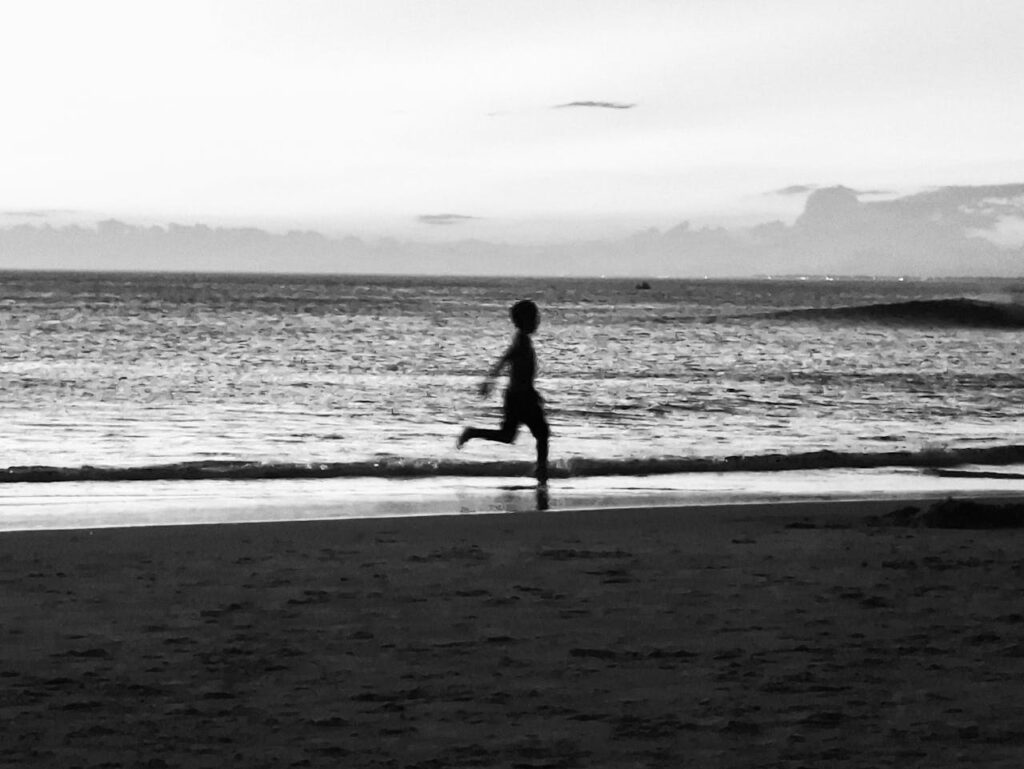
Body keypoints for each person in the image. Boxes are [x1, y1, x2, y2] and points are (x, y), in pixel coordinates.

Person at [457, 299, 549, 485]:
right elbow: (505, 360)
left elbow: (519, 371)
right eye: (534, 318)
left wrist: (532, 391)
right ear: (523, 321)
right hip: (520, 397)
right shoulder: (522, 342)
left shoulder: (523, 340)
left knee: (508, 436)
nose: (537, 321)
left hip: (519, 395)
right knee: (542, 434)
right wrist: (490, 380)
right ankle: (541, 472)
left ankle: (472, 432)